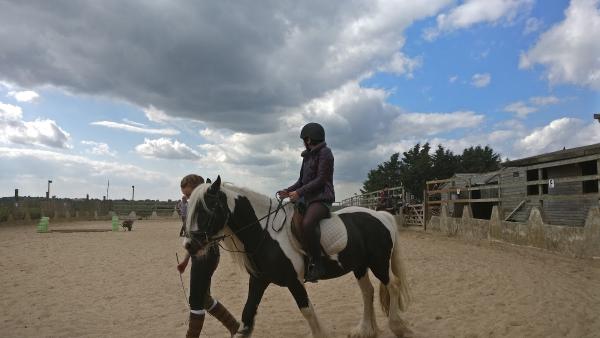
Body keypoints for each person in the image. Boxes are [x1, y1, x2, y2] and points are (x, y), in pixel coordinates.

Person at [177, 174, 240, 338]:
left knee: (196, 299)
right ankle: (234, 327)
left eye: (189, 194)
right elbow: (192, 241)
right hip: (199, 255)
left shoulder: (204, 208)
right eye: (184, 194)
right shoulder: (194, 206)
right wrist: (184, 262)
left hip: (207, 255)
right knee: (204, 298)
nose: (186, 197)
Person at [278, 122, 335, 282]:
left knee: (308, 223)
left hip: (322, 198)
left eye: (304, 139)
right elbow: (301, 181)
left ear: (309, 139)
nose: (303, 141)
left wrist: (299, 192)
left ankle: (318, 264)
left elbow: (321, 180)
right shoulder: (307, 156)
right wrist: (288, 191)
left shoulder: (326, 153)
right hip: (308, 199)